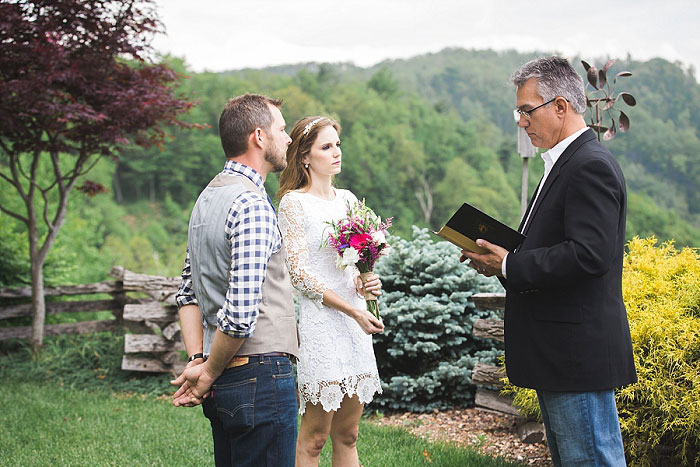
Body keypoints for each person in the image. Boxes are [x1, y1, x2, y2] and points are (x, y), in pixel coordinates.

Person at [462, 56, 637, 466]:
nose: (521, 121)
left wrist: (510, 265)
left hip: (575, 356)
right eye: (518, 111)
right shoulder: (563, 165)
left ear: (561, 106)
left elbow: (588, 255)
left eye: (527, 110)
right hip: (559, 355)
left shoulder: (589, 165)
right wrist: (500, 259)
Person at [171, 93, 299, 467]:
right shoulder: (252, 205)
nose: (288, 137)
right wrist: (207, 372)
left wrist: (199, 359)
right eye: (280, 128)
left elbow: (187, 294)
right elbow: (241, 314)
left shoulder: (207, 198)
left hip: (226, 378)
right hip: (260, 376)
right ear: (258, 137)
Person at [276, 116, 385, 466]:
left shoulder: (349, 199)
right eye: (326, 146)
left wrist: (365, 280)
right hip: (322, 324)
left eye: (337, 143)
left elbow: (353, 264)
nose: (336, 152)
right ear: (305, 156)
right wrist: (353, 309)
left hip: (356, 323)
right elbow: (300, 275)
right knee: (315, 438)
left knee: (348, 435)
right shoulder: (293, 203)